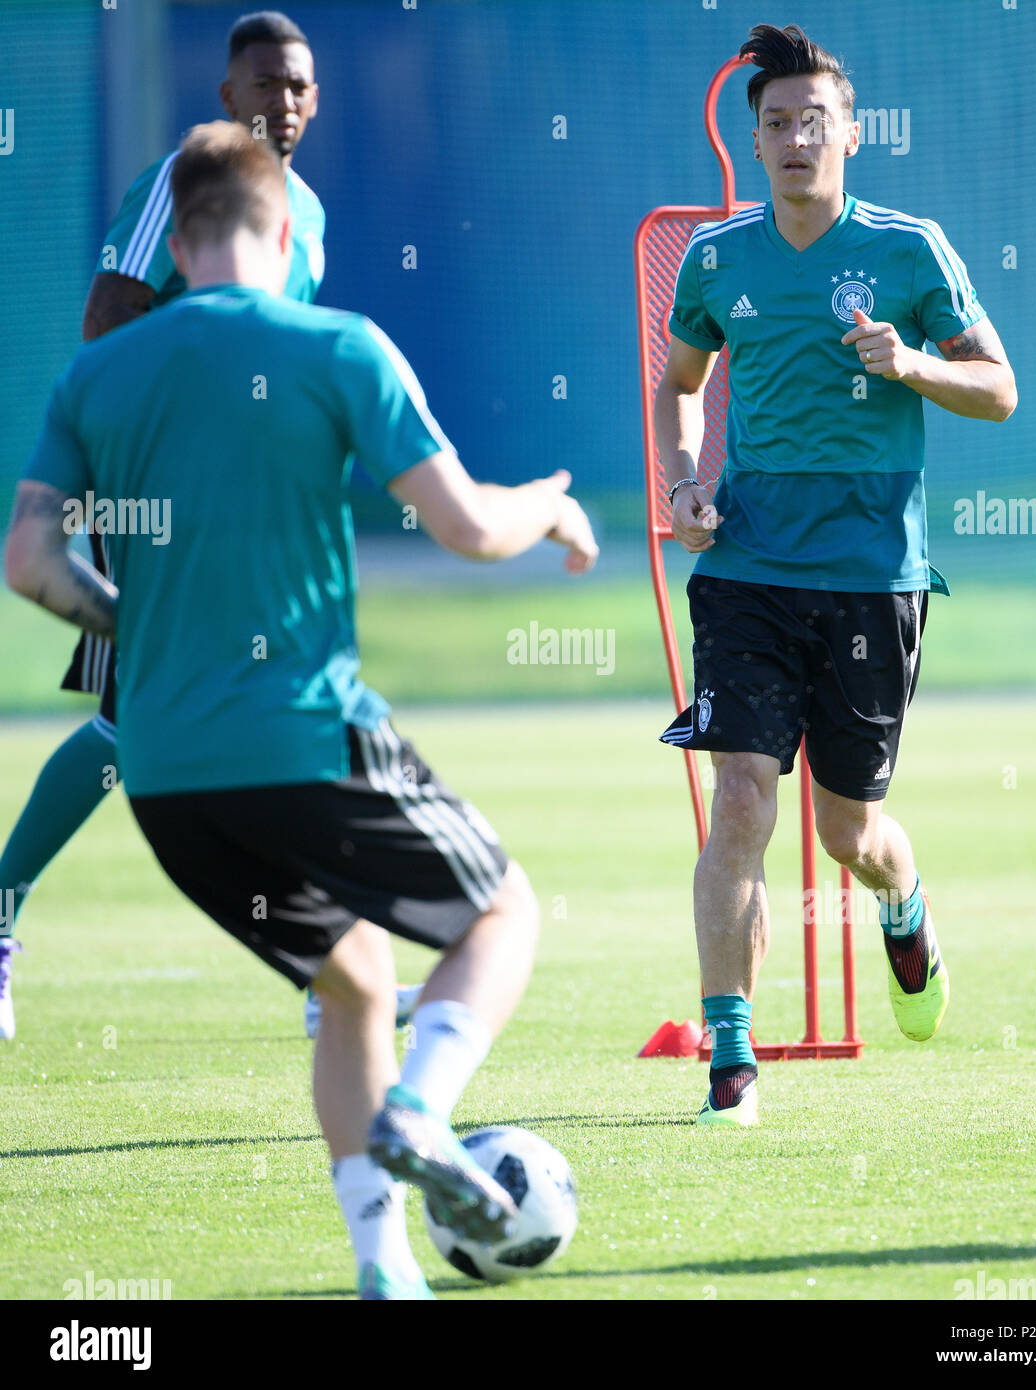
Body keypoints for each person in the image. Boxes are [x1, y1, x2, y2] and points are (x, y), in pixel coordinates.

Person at [4, 120, 598, 1299]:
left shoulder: (94, 374)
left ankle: (385, 1269)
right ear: (284, 231)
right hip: (302, 735)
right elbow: (470, 528)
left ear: (176, 239)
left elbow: (29, 561)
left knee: (356, 985)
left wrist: (136, 625)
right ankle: (423, 1114)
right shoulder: (338, 347)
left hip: (168, 779)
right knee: (501, 916)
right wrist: (548, 506)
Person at [656, 24, 1016, 1127]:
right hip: (749, 565)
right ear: (753, 140)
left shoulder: (909, 249)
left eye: (815, 119)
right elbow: (679, 384)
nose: (795, 136)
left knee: (846, 833)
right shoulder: (716, 258)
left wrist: (909, 362)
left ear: (849, 134)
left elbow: (997, 388)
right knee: (739, 809)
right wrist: (681, 481)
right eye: (775, 122)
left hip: (871, 574)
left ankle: (903, 907)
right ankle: (731, 1064)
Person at [0, 9, 326, 1040]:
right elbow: (108, 314)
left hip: (247, 505)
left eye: (300, 87)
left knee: (150, 723)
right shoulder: (185, 182)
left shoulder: (307, 211)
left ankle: (327, 974)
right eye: (265, 84)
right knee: (163, 718)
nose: (283, 101)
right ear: (226, 96)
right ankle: (327, 978)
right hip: (155, 494)